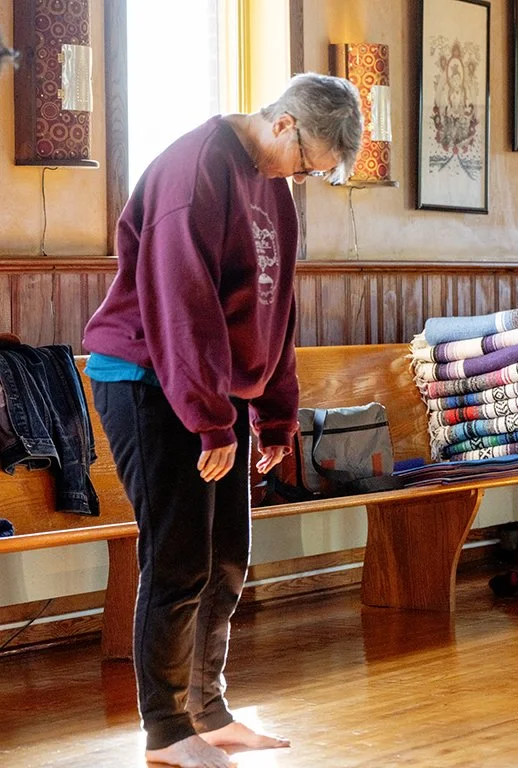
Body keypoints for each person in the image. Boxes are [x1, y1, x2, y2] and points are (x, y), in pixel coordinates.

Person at [83, 73, 363, 768]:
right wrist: (211, 422)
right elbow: (183, 305)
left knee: (226, 558)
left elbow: (276, 310)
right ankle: (165, 730)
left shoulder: (274, 189)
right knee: (178, 560)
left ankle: (207, 712)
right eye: (306, 163)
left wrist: (275, 414)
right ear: (285, 123)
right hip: (149, 380)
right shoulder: (197, 168)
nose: (300, 178)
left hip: (210, 391)